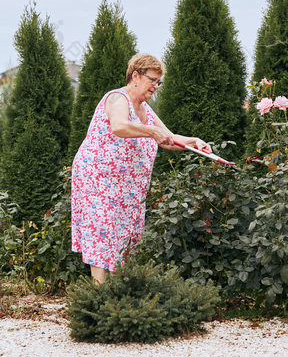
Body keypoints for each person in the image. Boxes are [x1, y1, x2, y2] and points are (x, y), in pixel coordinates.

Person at [71, 53, 211, 283]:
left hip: (127, 186)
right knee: (103, 232)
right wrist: (150, 131)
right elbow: (118, 126)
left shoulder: (145, 108)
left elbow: (168, 138)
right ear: (135, 76)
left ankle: (118, 293)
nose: (155, 86)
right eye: (152, 80)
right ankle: (99, 297)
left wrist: (193, 142)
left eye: (158, 82)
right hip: (98, 178)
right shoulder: (118, 99)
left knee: (126, 234)